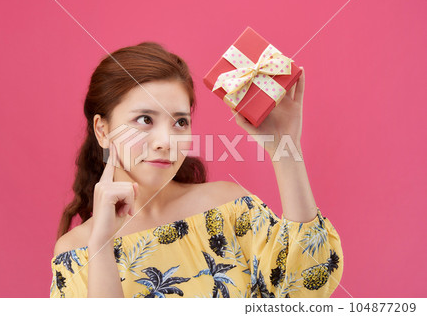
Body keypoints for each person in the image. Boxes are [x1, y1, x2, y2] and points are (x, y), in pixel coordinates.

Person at [49, 42, 343, 298]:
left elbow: (306, 286)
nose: (166, 141)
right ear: (102, 130)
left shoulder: (228, 209)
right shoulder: (76, 250)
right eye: (144, 119)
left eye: (180, 122)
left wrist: (286, 147)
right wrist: (101, 246)